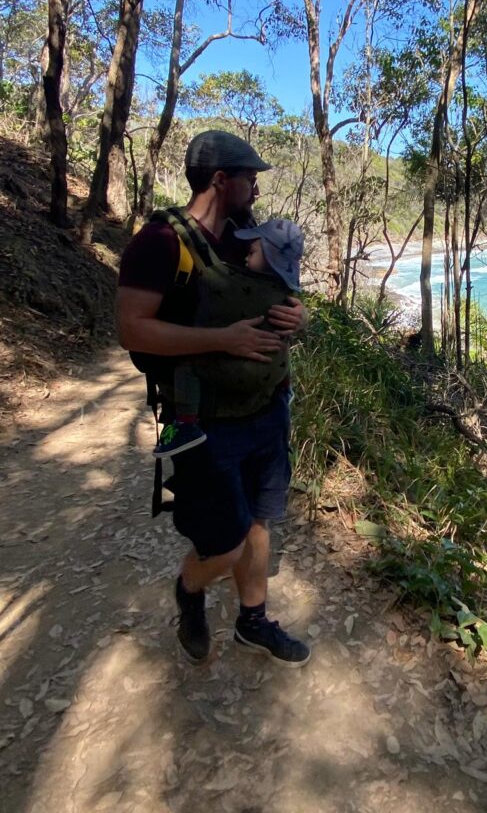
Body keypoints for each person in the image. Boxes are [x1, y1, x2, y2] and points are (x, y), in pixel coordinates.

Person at [117, 130, 311, 667]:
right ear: (221, 179)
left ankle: (253, 622)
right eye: (250, 177)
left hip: (267, 412)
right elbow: (132, 330)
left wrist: (302, 317)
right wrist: (223, 340)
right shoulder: (158, 243)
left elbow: (280, 296)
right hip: (204, 423)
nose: (255, 186)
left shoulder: (245, 240)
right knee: (223, 545)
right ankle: (189, 588)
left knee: (258, 525)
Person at [151, 219, 305, 460]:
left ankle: (186, 423)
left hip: (232, 394)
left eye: (252, 252)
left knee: (186, 365)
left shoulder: (234, 285)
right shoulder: (285, 290)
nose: (245, 258)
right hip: (272, 380)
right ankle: (286, 390)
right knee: (281, 344)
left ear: (269, 256)